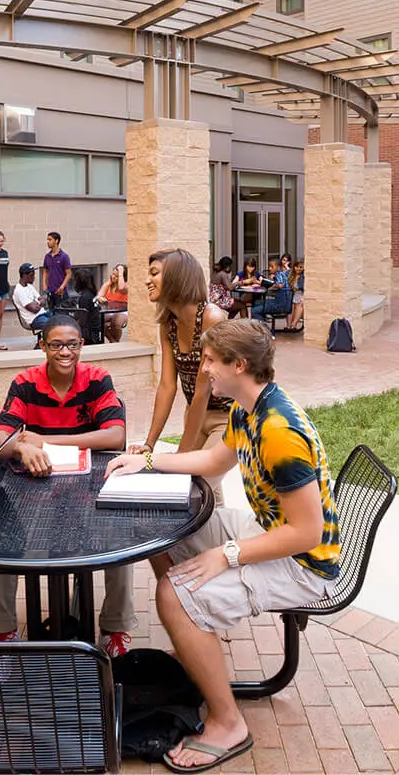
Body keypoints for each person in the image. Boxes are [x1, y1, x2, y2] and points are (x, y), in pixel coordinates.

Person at [105, 320, 341, 773]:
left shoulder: (280, 432)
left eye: (212, 361)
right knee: (160, 531)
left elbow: (307, 534)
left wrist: (226, 555)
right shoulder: (246, 407)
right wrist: (148, 461)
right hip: (269, 531)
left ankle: (229, 722)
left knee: (174, 593)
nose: (205, 368)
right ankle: (193, 631)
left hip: (303, 563)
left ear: (240, 364)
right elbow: (215, 459)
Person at [0, 314, 134, 657]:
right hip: (36, 489)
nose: (64, 351)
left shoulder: (97, 379)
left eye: (72, 344)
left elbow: (116, 434)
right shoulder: (25, 382)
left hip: (90, 483)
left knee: (120, 541)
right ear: (43, 346)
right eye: (56, 344)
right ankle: (0, 631)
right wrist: (22, 447)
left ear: (82, 345)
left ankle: (115, 628)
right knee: (0, 538)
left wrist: (46, 440)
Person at [132, 249, 231, 498]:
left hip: (228, 418)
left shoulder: (212, 318)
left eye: (154, 273)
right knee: (208, 495)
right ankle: (213, 535)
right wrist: (149, 443)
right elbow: (167, 386)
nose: (147, 280)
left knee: (196, 487)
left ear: (178, 276)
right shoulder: (169, 325)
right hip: (195, 414)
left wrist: (181, 457)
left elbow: (202, 391)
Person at [12, 263, 53, 333]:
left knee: (62, 319)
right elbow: (34, 309)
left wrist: (36, 303)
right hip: (34, 319)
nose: (34, 277)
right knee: (54, 325)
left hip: (43, 313)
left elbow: (43, 301)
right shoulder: (19, 291)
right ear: (25, 275)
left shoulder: (30, 286)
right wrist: (39, 302)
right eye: (32, 275)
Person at [96, 263, 129, 343]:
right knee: (98, 321)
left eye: (117, 276)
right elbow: (99, 296)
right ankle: (113, 341)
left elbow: (121, 288)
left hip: (123, 311)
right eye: (113, 274)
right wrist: (100, 297)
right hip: (109, 310)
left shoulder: (126, 285)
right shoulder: (109, 284)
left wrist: (121, 271)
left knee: (116, 322)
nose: (114, 277)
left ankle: (115, 342)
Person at [71, 268, 103, 344]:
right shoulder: (91, 294)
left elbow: (83, 320)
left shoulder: (85, 297)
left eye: (75, 280)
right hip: (94, 331)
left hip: (89, 335)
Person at [42, 231, 72, 308]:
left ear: (56, 241)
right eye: (47, 240)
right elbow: (45, 271)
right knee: (52, 314)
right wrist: (44, 284)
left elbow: (69, 274)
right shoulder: (47, 256)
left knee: (62, 315)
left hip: (61, 293)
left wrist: (62, 287)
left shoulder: (64, 256)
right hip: (50, 292)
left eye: (50, 239)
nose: (47, 242)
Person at [288, 260, 305, 331]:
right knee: (292, 305)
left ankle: (294, 324)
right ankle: (290, 325)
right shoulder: (292, 275)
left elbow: (302, 288)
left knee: (300, 303)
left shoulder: (303, 276)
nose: (298, 268)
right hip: (294, 294)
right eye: (296, 267)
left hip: (301, 294)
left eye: (300, 267)